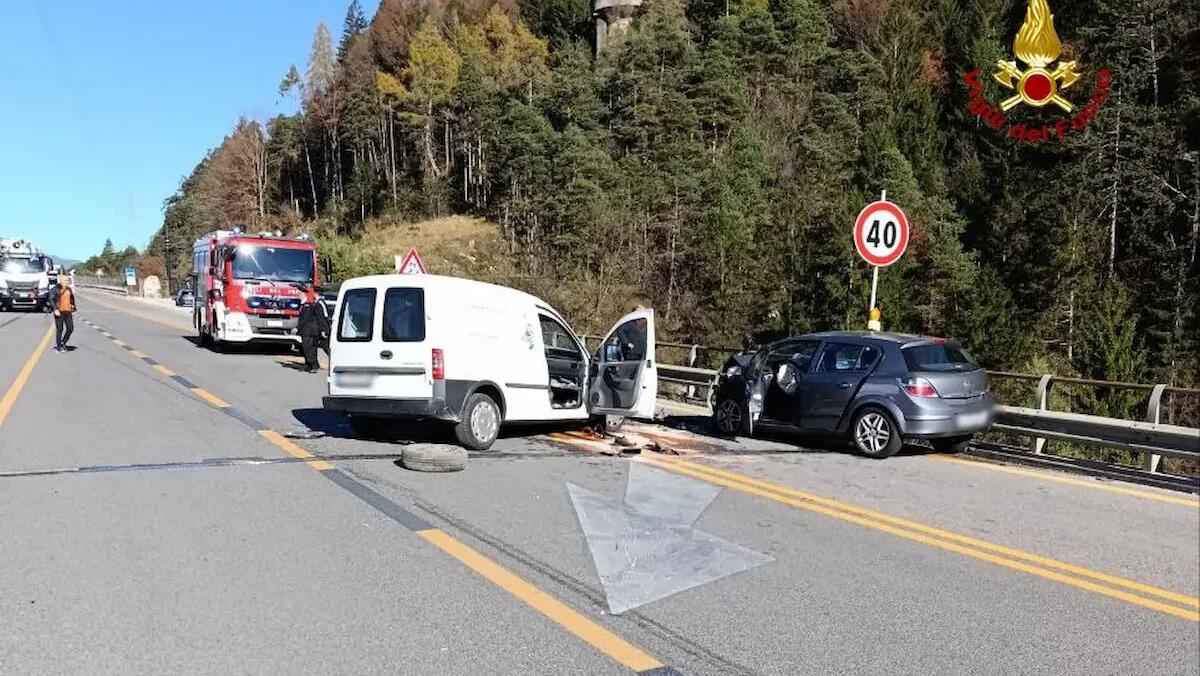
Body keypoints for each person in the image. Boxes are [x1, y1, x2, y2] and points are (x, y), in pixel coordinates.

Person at [296, 287, 330, 373]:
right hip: (309, 331)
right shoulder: (305, 305)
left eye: (300, 294)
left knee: (309, 348)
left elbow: (321, 318)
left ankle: (313, 364)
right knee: (310, 348)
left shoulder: (311, 305)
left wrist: (324, 330)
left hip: (310, 331)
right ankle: (311, 365)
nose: (298, 295)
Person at [49, 277, 77, 352]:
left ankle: (63, 342)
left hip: (68, 311)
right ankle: (58, 347)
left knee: (70, 328)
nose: (67, 282)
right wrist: (55, 309)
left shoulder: (69, 289)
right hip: (59, 311)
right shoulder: (55, 289)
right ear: (60, 281)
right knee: (60, 329)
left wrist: (73, 307)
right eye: (65, 280)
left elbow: (71, 299)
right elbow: (51, 299)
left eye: (67, 280)